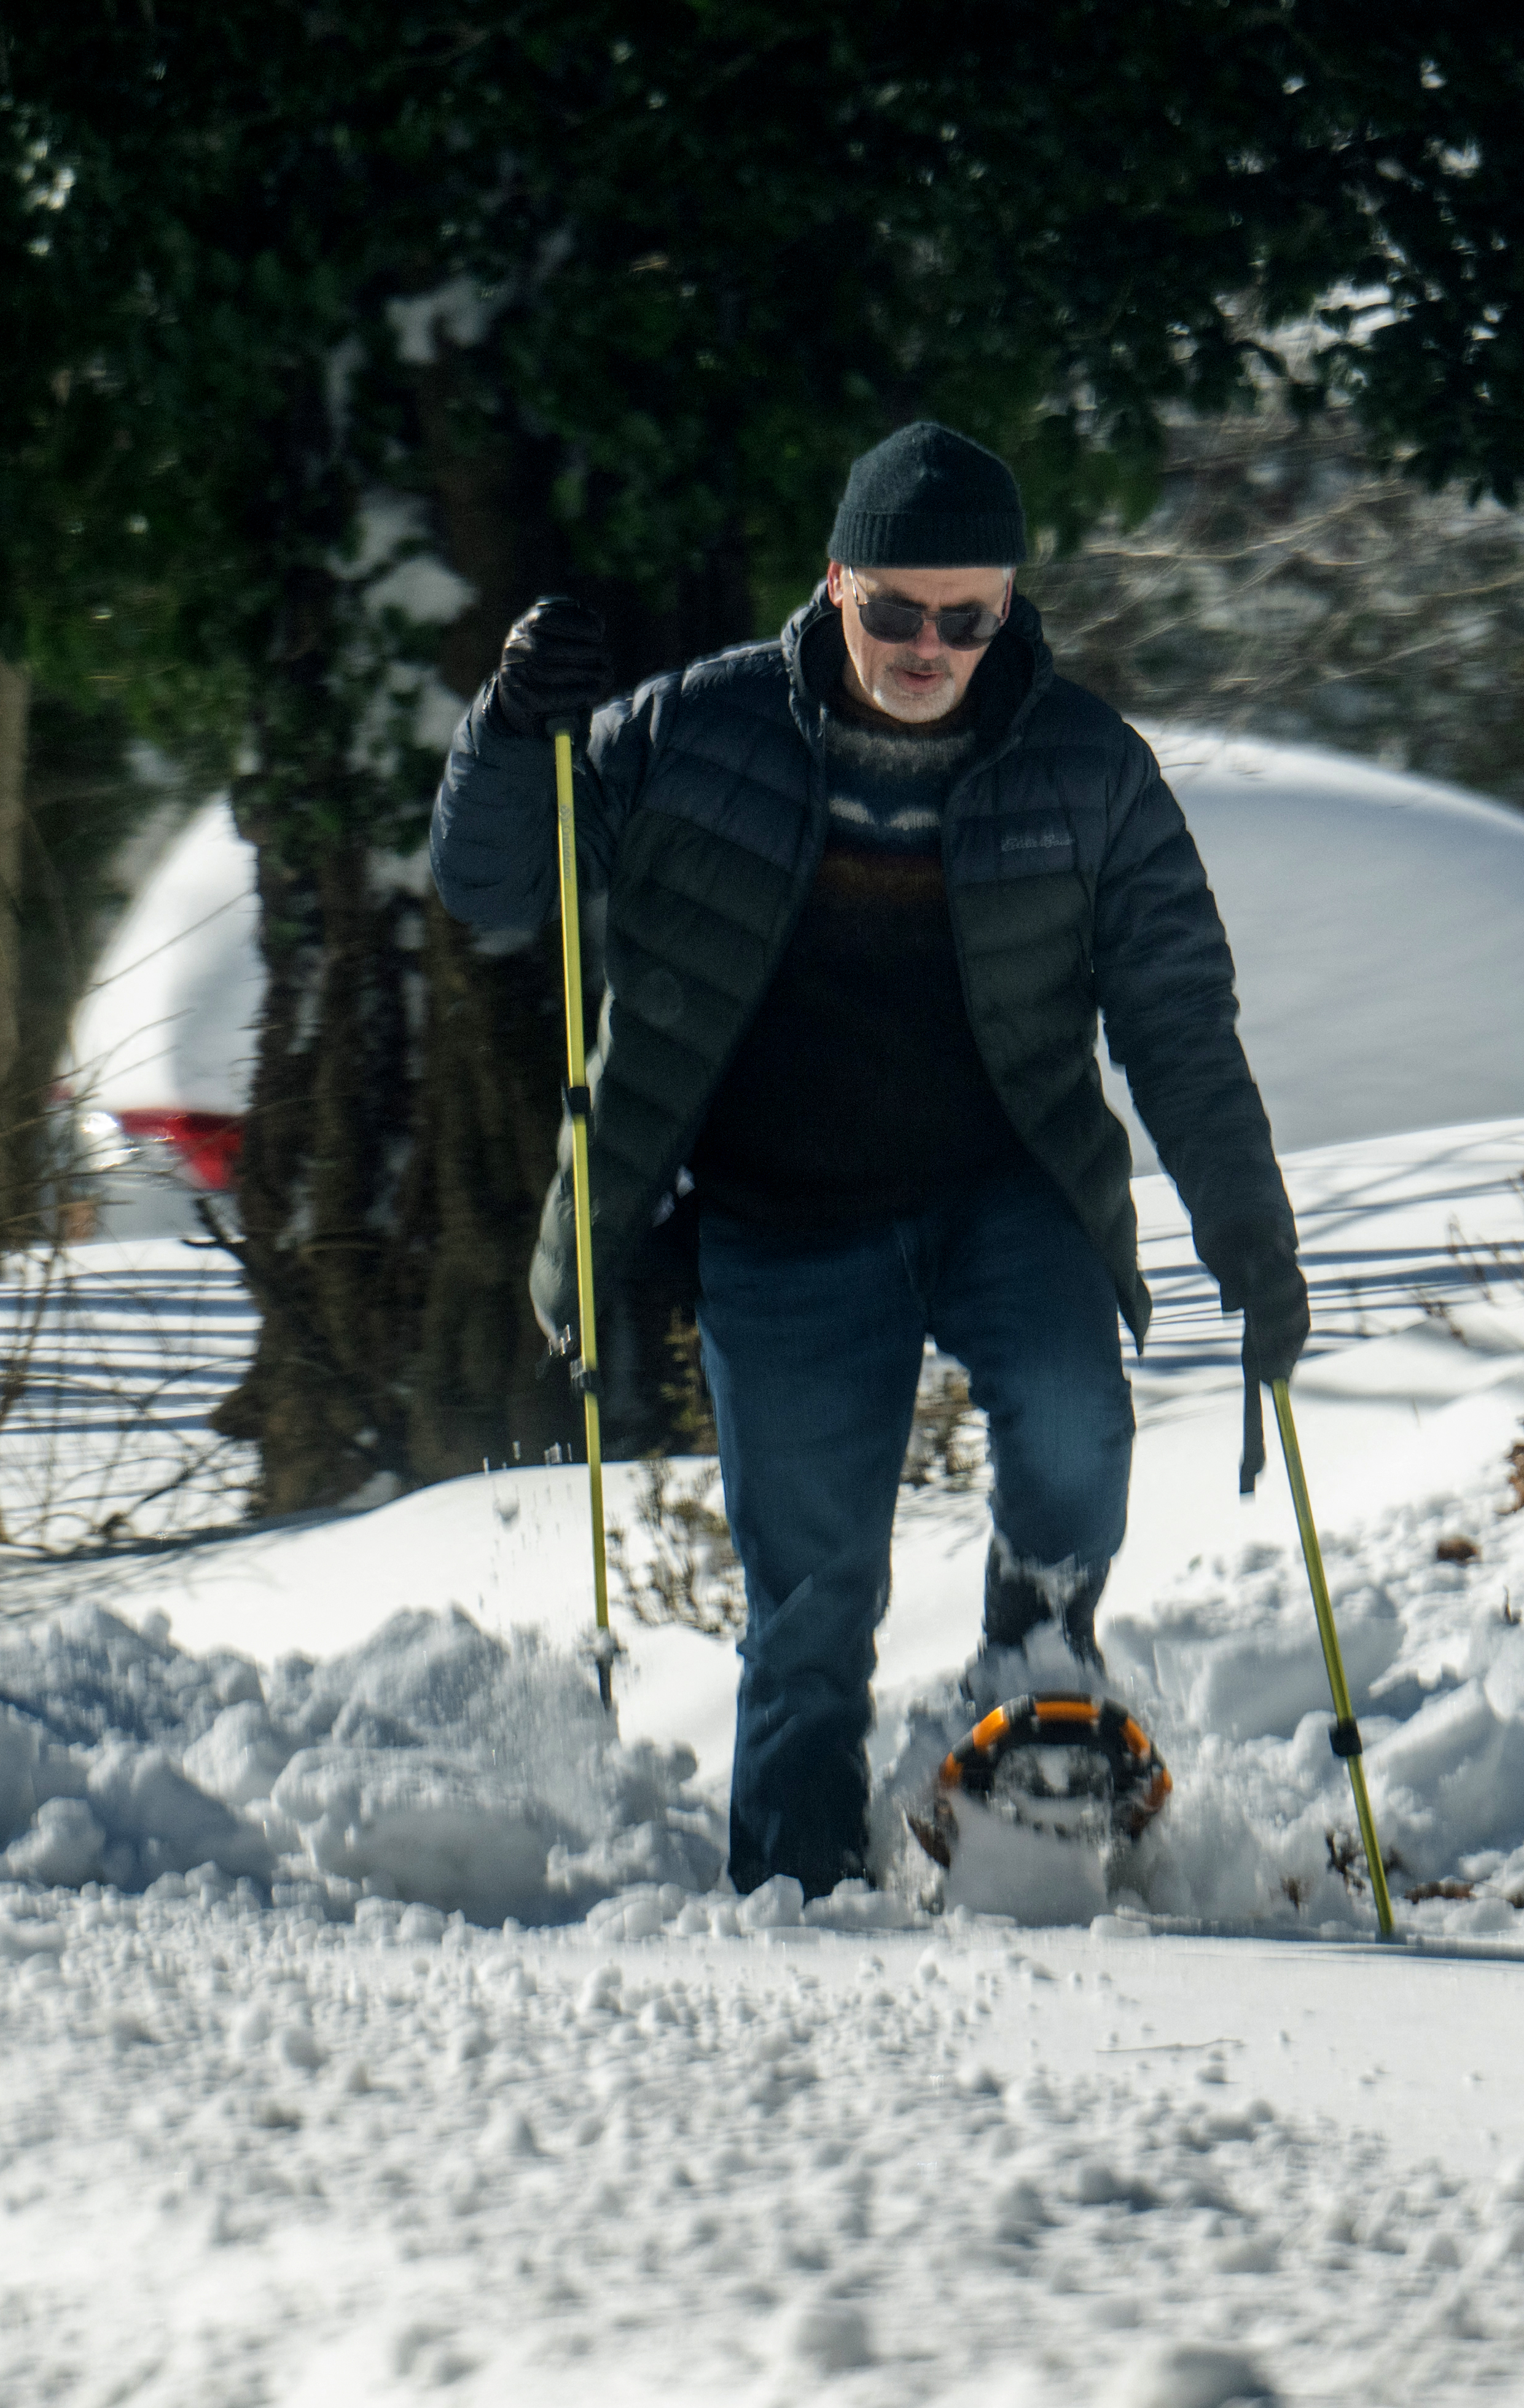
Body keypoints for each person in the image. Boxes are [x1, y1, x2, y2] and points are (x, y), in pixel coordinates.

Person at [429, 420, 1308, 1895]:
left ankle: (1036, 1666)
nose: (925, 645)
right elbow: (494, 885)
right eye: (893, 609)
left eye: (964, 618)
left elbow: (1179, 1021)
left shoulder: (1088, 771)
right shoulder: (695, 732)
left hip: (1003, 1191)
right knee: (810, 1609)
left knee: (1075, 1413)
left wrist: (1251, 1241)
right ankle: (793, 1917)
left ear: (1006, 610)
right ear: (834, 583)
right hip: (782, 1218)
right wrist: (514, 732)